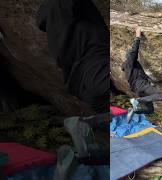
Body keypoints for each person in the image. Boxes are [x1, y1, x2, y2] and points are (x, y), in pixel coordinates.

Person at [36, 0, 109, 179]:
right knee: (133, 108)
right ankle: (87, 125)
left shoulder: (52, 18)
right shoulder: (63, 5)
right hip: (96, 65)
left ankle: (82, 160)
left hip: (78, 82)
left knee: (115, 124)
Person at [122, 26, 162, 115]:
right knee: (161, 96)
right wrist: (137, 37)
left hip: (138, 89)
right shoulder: (130, 62)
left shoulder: (127, 68)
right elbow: (134, 51)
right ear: (129, 58)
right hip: (141, 85)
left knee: (150, 110)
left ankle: (134, 111)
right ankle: (137, 100)